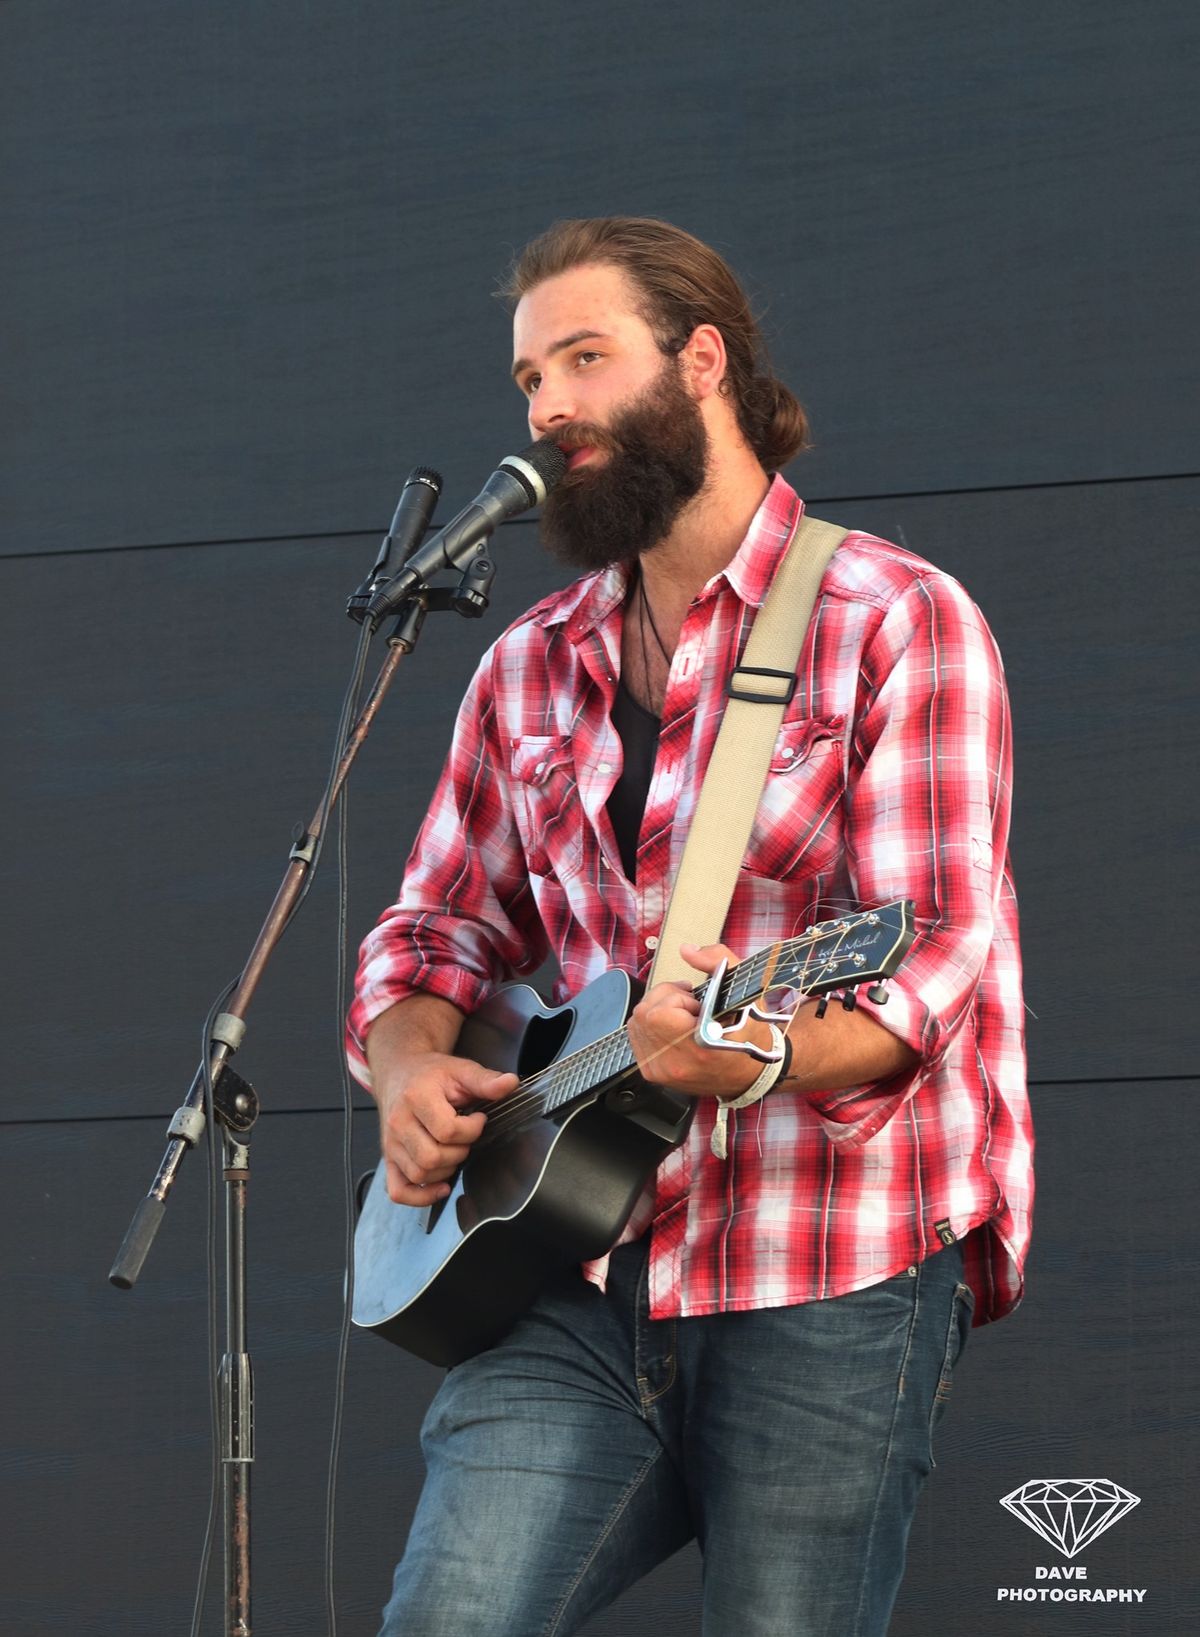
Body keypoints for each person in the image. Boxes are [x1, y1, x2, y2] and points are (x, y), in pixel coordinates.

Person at [347, 216, 1033, 1637]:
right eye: (531, 379)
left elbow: (936, 958)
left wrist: (761, 1058)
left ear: (701, 361)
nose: (547, 410)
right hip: (573, 1268)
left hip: (825, 1272)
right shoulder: (526, 665)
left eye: (585, 359)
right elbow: (431, 933)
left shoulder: (892, 618)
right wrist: (410, 1068)